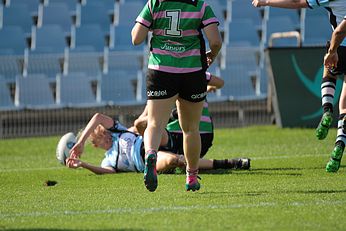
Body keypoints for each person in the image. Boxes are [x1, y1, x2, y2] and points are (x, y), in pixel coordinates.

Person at [132, 0, 222, 191]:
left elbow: (136, 38)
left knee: (155, 124)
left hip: (161, 70)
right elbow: (215, 41)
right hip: (193, 72)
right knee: (190, 129)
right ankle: (191, 177)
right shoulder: (200, 4)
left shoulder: (155, 3)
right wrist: (212, 55)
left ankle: (151, 154)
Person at [252, 0, 346, 172]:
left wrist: (266, 1)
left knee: (329, 71)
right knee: (345, 106)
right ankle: (338, 146)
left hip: (342, 46)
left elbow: (297, 2)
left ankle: (326, 110)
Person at [66, 113, 250, 175]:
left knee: (140, 124)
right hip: (146, 160)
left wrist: (80, 142)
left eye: (105, 132)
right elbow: (105, 172)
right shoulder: (109, 160)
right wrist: (83, 164)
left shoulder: (120, 131)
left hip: (150, 140)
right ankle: (230, 163)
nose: (106, 136)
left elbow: (98, 117)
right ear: (97, 146)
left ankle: (168, 111)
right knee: (175, 160)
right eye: (101, 138)